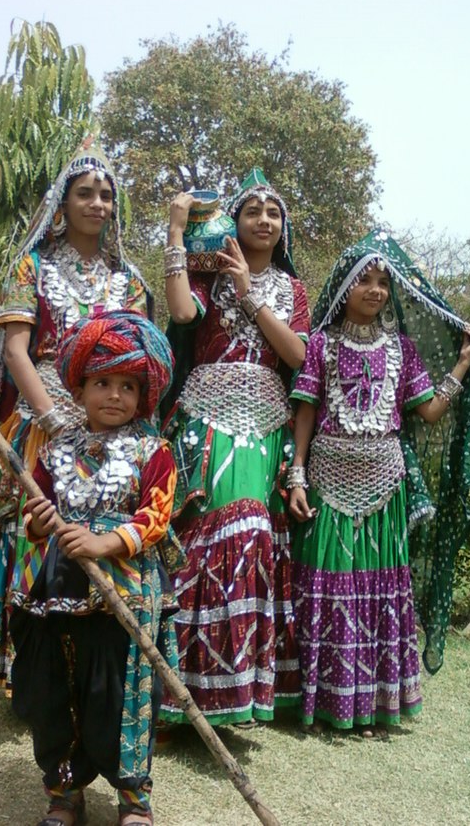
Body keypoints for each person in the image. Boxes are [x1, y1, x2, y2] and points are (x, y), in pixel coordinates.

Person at [288, 229, 470, 736]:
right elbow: (306, 411)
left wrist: (465, 361)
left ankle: (375, 707)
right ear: (344, 287)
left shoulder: (401, 349)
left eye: (384, 282)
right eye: (365, 280)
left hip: (385, 488)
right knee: (326, 589)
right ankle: (322, 704)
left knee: (380, 592)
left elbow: (428, 412)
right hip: (328, 484)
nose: (376, 290)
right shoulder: (320, 345)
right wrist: (296, 474)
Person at [0, 138, 151, 690]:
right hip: (40, 419)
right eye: (84, 193)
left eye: (106, 195)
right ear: (62, 203)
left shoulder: (130, 280)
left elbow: (136, 358)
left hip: (113, 423)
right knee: (36, 531)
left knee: (107, 528)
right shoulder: (32, 267)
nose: (97, 203)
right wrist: (54, 419)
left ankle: (94, 666)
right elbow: (17, 350)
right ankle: (30, 667)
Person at [10, 310, 177, 826]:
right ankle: (65, 796)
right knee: (59, 692)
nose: (114, 396)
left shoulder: (156, 451)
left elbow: (156, 516)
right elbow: (34, 515)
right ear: (79, 386)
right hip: (58, 592)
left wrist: (105, 541)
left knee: (121, 698)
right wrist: (39, 522)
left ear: (144, 395)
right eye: (102, 382)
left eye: (128, 386)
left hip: (123, 598)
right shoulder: (56, 450)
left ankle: (134, 803)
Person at [158, 169, 310, 726]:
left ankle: (243, 694)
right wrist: (177, 234)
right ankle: (182, 696)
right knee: (208, 539)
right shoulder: (208, 276)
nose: (264, 220)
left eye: (274, 213)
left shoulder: (292, 291)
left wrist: (251, 298)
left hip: (266, 429)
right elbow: (178, 314)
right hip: (207, 424)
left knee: (254, 541)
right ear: (236, 222)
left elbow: (298, 357)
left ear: (282, 228)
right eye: (253, 211)